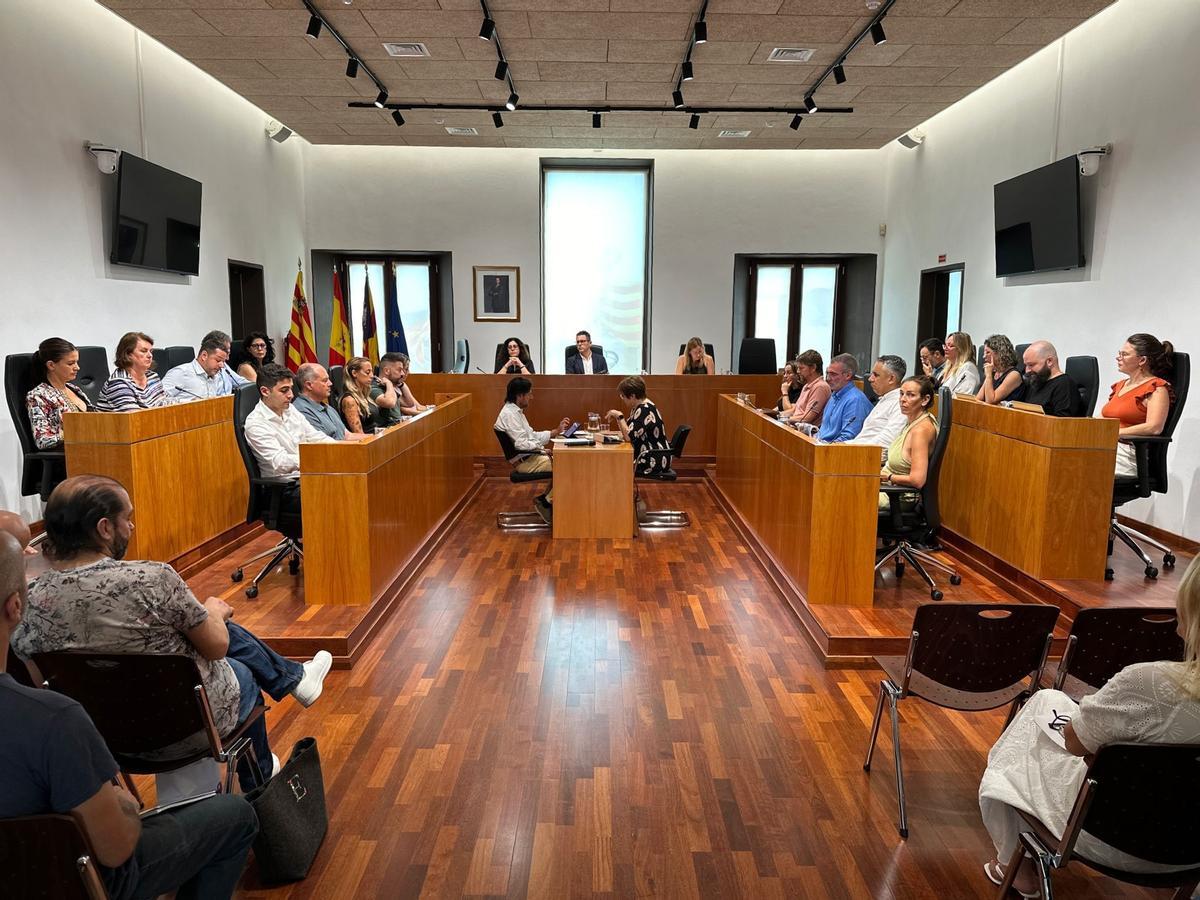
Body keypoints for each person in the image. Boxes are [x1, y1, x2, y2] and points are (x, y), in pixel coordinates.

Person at [10, 475, 333, 795]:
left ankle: (292, 683)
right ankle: (260, 779)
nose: (132, 527)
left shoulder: (27, 599)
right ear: (105, 528)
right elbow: (218, 647)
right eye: (128, 519)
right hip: (191, 727)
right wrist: (215, 612)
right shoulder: (151, 578)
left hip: (104, 738)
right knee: (240, 668)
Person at [0, 530, 260, 900]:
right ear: (15, 607)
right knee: (235, 816)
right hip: (68, 881)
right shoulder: (53, 720)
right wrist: (120, 802)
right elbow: (116, 849)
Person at [978, 554, 1200, 897]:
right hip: (1190, 855)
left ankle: (1014, 865)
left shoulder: (1147, 682)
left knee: (1042, 706)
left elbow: (1076, 743)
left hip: (1104, 836)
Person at [244, 364, 339, 517]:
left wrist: (342, 450)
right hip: (284, 490)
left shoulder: (290, 410)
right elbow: (279, 463)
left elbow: (315, 437)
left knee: (351, 481)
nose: (291, 395)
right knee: (340, 491)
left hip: (306, 477)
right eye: (284, 390)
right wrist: (316, 458)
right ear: (265, 391)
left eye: (290, 389)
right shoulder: (256, 423)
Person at [494, 377, 570, 524]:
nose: (531, 397)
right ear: (520, 395)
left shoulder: (515, 411)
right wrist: (541, 450)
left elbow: (531, 435)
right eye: (529, 394)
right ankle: (547, 503)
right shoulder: (510, 415)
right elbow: (521, 444)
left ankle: (544, 500)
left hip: (530, 458)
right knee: (567, 466)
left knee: (566, 462)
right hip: (526, 462)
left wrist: (555, 431)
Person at [1100, 333, 1175, 477]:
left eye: (1125, 354)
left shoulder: (1157, 387)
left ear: (1142, 360)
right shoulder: (1120, 386)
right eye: (1119, 353)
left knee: (1073, 464)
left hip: (1128, 454)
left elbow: (1154, 428)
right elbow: (1103, 416)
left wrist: (1113, 433)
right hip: (1109, 447)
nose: (1118, 357)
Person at [879, 376, 938, 510]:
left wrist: (887, 477)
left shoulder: (921, 431)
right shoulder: (911, 421)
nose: (902, 399)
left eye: (910, 395)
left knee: (841, 495)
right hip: (886, 488)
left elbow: (917, 480)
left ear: (925, 400)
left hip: (896, 496)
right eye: (901, 394)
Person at [25, 337, 94, 450]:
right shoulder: (38, 396)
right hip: (68, 457)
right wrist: (75, 434)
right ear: (51, 365)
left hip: (93, 449)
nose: (77, 367)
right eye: (71, 363)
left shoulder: (74, 389)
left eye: (77, 362)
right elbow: (42, 440)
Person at [606, 376, 672, 476]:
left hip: (653, 459)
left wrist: (619, 416)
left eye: (623, 396)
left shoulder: (645, 410)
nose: (622, 399)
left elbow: (629, 438)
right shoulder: (638, 407)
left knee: (613, 464)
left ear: (632, 396)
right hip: (650, 455)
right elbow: (627, 431)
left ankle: (620, 490)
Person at [161, 330, 249, 401]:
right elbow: (157, 402)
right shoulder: (180, 373)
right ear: (204, 356)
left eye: (223, 361)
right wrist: (185, 403)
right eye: (218, 360)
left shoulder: (215, 374)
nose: (222, 365)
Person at [291, 363, 368, 442]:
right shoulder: (301, 411)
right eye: (325, 380)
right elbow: (325, 446)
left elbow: (347, 436)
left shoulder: (327, 407)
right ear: (309, 385)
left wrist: (376, 436)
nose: (330, 383)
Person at [96, 331, 170, 411]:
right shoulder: (118, 383)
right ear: (128, 354)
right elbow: (134, 418)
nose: (150, 355)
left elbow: (166, 404)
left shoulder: (152, 377)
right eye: (143, 351)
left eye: (151, 351)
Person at [851, 355, 909, 451]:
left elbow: (886, 442)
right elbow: (865, 437)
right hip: (860, 452)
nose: (870, 379)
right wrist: (842, 445)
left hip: (869, 458)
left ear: (891, 379)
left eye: (876, 375)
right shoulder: (885, 398)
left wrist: (849, 449)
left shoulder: (900, 403)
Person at [818, 353, 873, 442]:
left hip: (833, 451)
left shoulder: (855, 400)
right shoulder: (834, 395)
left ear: (848, 375)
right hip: (821, 446)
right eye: (827, 373)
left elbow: (848, 438)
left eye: (833, 374)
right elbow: (824, 431)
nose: (827, 378)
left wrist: (824, 448)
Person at [1021, 341, 1083, 417]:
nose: (1027, 370)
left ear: (1049, 361)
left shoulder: (1064, 385)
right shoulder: (1036, 381)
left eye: (1031, 365)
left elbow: (1063, 422)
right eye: (1026, 365)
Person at [373, 352, 430, 427]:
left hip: (397, 427)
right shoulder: (374, 386)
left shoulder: (391, 385)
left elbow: (409, 404)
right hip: (386, 430)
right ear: (386, 371)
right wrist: (389, 384)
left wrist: (401, 384)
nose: (403, 374)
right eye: (399, 370)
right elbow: (390, 403)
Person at [976, 334, 1026, 405]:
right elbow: (978, 398)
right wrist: (989, 375)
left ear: (1000, 353)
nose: (984, 356)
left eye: (988, 352)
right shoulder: (993, 372)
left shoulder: (1014, 375)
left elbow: (991, 401)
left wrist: (988, 376)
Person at [340, 356, 383, 434]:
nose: (372, 376)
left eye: (371, 372)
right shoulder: (349, 400)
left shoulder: (364, 395)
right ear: (354, 373)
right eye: (367, 372)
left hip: (375, 438)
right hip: (366, 442)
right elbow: (358, 433)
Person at [788, 349, 831, 427]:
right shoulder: (806, 385)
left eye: (801, 368)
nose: (798, 371)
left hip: (805, 433)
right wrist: (778, 415)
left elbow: (807, 418)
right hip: (795, 427)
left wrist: (785, 419)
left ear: (813, 368)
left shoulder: (820, 387)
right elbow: (795, 410)